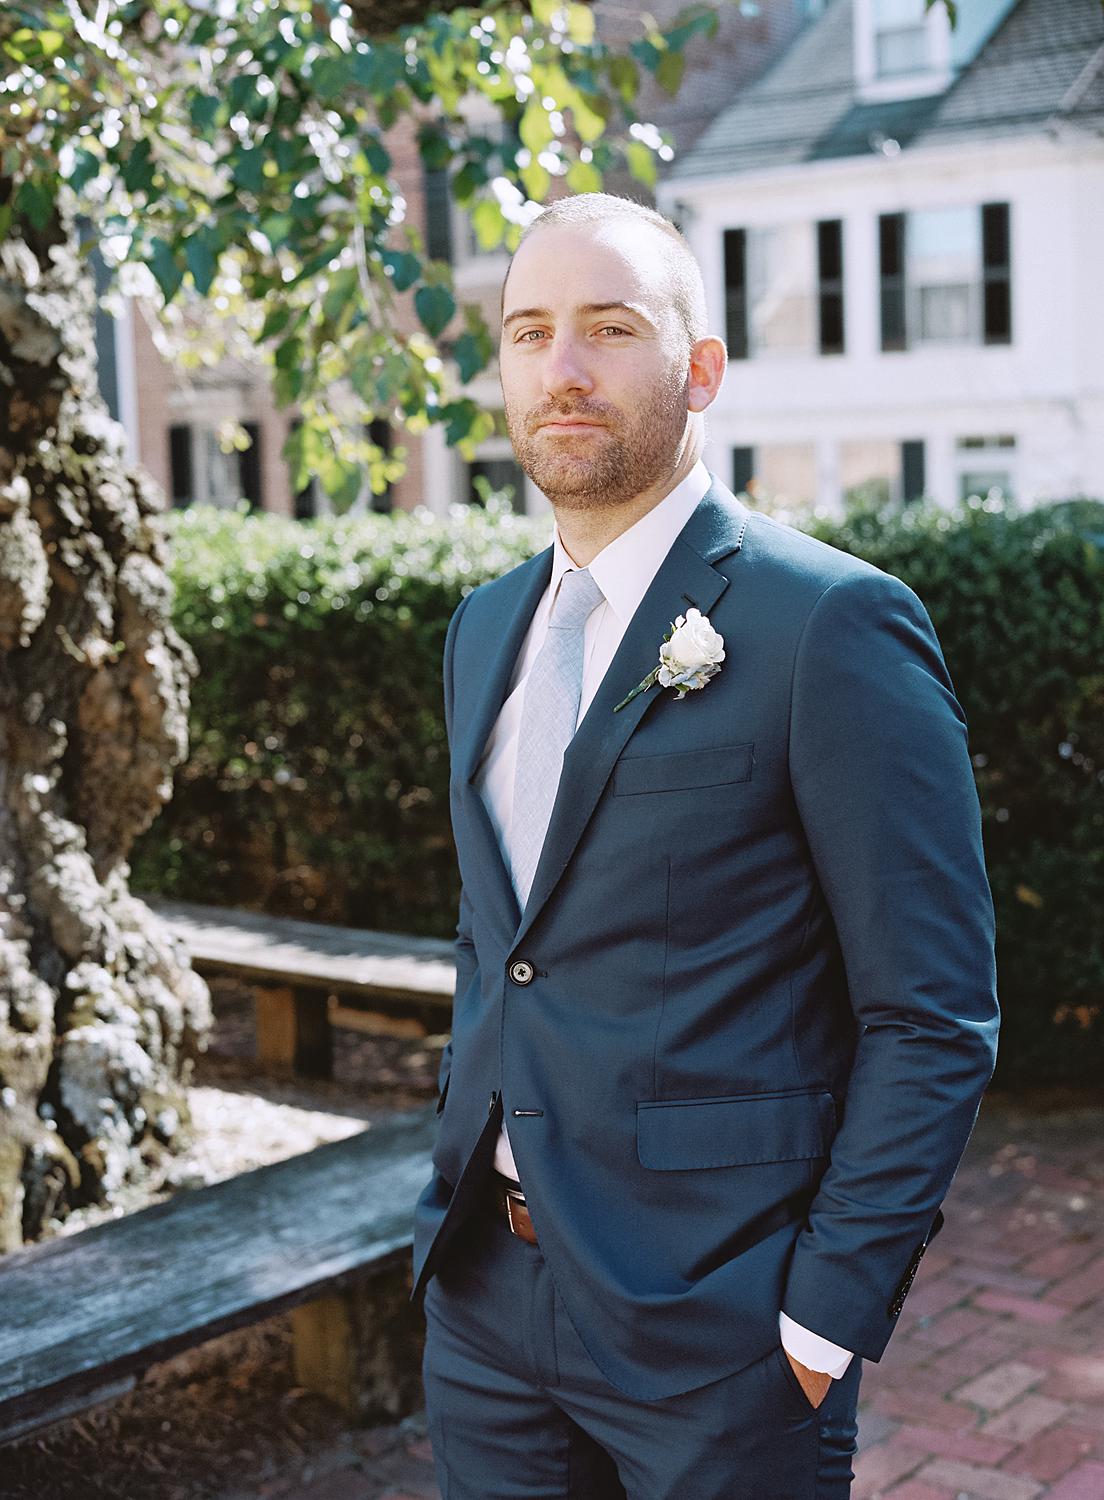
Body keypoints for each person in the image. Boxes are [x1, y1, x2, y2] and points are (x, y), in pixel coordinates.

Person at [410, 192, 999, 1499]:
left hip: (721, 1337)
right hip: (486, 1309)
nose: (561, 368)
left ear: (701, 368)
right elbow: (502, 943)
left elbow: (933, 1011)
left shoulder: (829, 626)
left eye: (609, 329)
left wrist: (822, 1317)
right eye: (527, 332)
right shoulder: (482, 631)